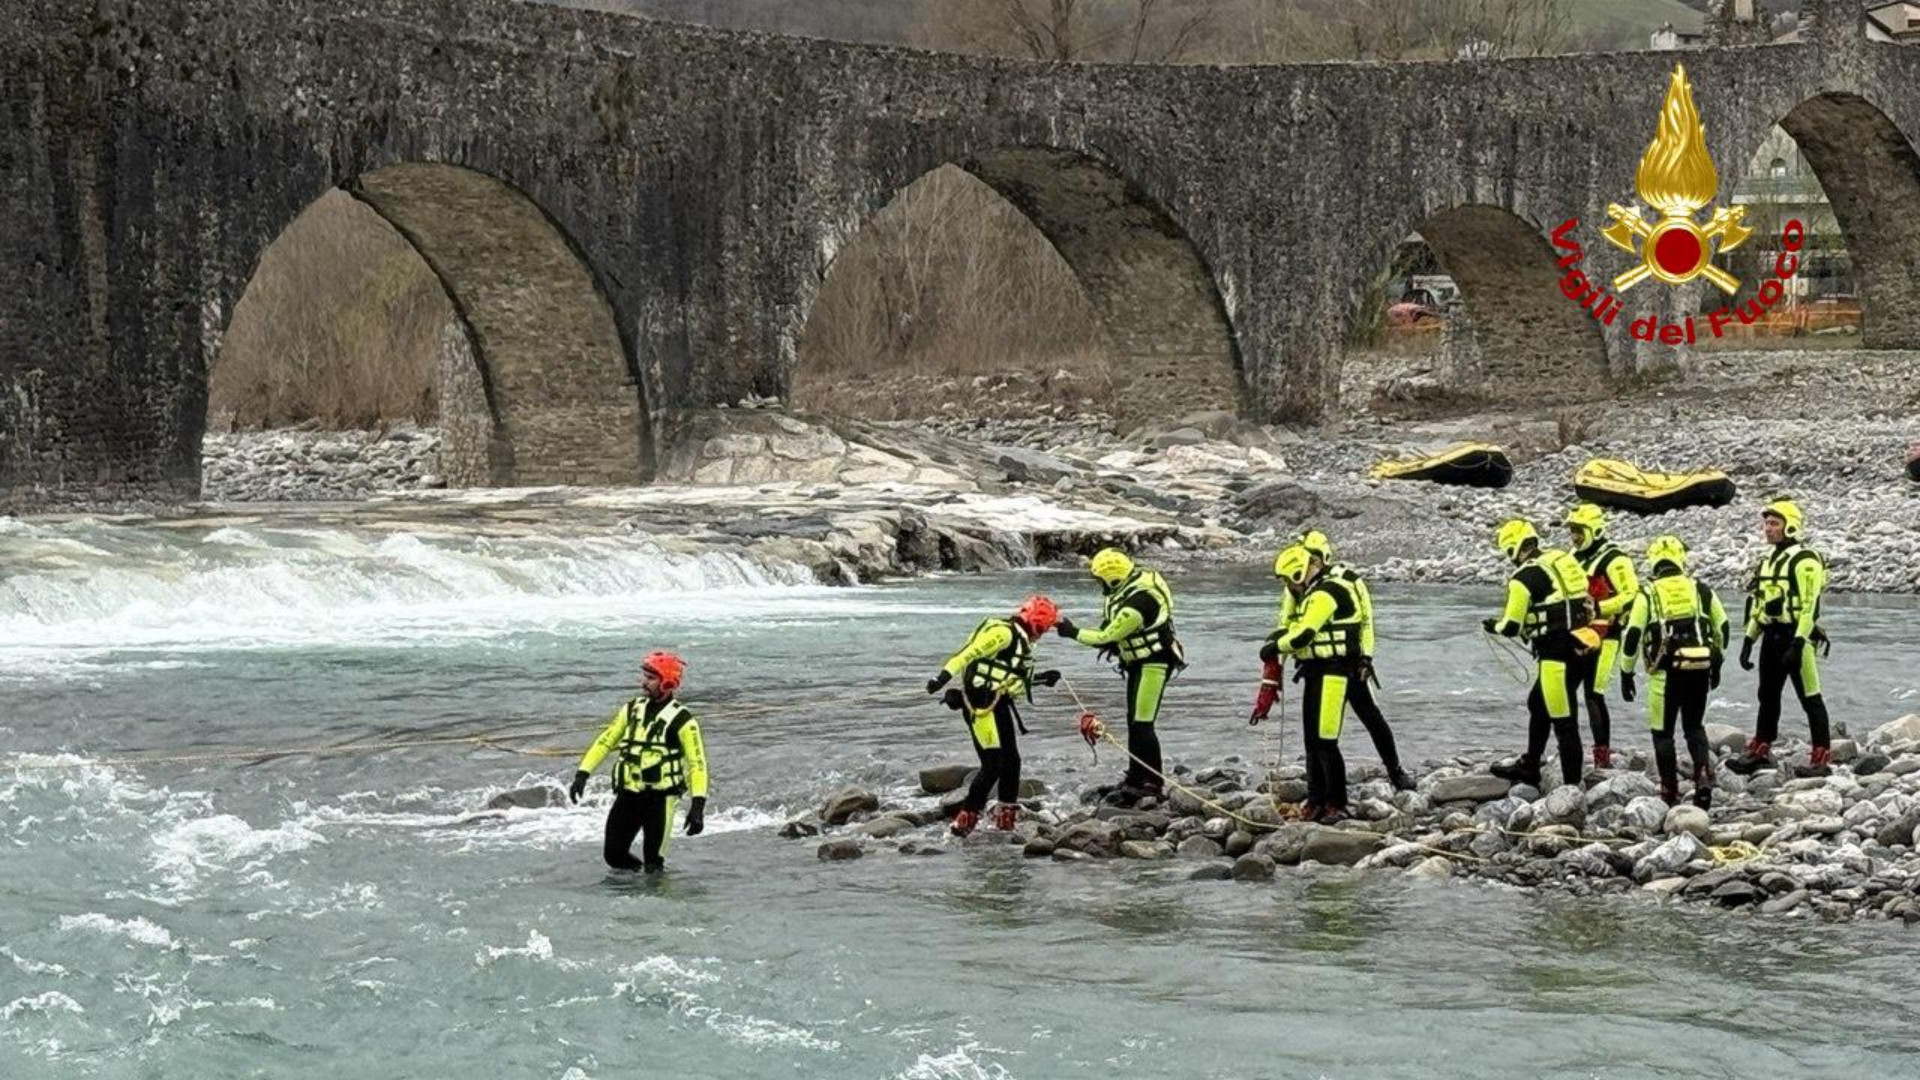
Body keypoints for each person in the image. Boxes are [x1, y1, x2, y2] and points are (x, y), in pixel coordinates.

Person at [1057, 547, 1183, 806]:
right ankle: (1136, 776)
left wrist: (1071, 631)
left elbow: (1106, 636)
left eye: (1099, 579)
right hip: (1136, 663)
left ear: (1112, 578)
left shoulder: (1138, 603)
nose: (1098, 584)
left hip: (1154, 663)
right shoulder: (1127, 588)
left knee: (1143, 724)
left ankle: (1153, 782)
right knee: (1133, 721)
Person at [927, 595, 1061, 836]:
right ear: (1036, 622)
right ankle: (965, 820)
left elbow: (1012, 678)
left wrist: (1042, 679)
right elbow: (966, 655)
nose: (1042, 633)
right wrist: (942, 678)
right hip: (979, 704)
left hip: (999, 702)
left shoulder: (1024, 642)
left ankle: (1006, 818)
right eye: (1044, 628)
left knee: (1012, 762)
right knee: (993, 764)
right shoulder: (1003, 634)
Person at [1290, 530, 1414, 791]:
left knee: (1371, 717)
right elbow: (1288, 621)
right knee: (1317, 731)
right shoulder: (1298, 585)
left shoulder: (1348, 580)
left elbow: (1366, 621)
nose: (1311, 563)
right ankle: (1318, 788)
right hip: (1317, 666)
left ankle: (1395, 770)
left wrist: (1366, 657)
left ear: (1322, 558)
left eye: (1314, 558)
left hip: (1352, 665)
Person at [569, 651, 709, 873]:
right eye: (645, 676)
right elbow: (605, 741)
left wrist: (698, 805)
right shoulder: (632, 709)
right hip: (629, 795)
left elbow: (697, 764)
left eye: (651, 678)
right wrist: (582, 774)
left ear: (668, 683)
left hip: (661, 800)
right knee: (613, 855)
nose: (644, 683)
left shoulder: (684, 721)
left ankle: (656, 900)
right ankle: (631, 894)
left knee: (654, 866)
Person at [1619, 535, 1729, 808]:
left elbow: (1633, 634)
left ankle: (1669, 790)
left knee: (1663, 733)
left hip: (1665, 674)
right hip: (1700, 667)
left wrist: (1626, 672)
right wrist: (1717, 663)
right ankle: (1703, 776)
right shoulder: (1701, 589)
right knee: (1694, 727)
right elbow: (1723, 627)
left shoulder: (1648, 594)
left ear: (1654, 562)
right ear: (1681, 559)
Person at [1484, 519, 1592, 789]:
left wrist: (1493, 627)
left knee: (1564, 722)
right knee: (1537, 703)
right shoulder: (1561, 559)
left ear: (1513, 549)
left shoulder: (1523, 578)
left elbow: (1511, 626)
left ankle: (1571, 789)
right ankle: (1531, 764)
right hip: (1583, 647)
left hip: (1555, 656)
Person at [1730, 499, 1834, 777]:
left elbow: (1811, 604)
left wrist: (1799, 643)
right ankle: (1761, 748)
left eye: (1774, 523)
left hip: (1796, 636)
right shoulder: (1768, 562)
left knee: (1810, 697)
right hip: (1772, 636)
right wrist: (1748, 640)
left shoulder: (1805, 560)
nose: (1768, 529)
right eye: (1766, 523)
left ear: (1790, 527)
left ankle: (1821, 757)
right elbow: (1762, 604)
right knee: (1767, 695)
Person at [1267, 544, 1367, 823]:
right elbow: (1294, 629)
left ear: (1300, 573)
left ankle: (1336, 802)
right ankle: (1316, 799)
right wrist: (1276, 641)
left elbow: (1302, 636)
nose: (1288, 586)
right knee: (1312, 741)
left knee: (1326, 740)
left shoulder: (1325, 593)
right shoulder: (1312, 594)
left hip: (1335, 672)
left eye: (1288, 580)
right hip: (1315, 671)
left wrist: (1275, 646)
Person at [1565, 503, 1640, 769]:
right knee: (1566, 690)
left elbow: (1631, 594)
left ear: (1594, 530)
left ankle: (1602, 756)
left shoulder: (1615, 559)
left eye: (1578, 531)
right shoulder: (1574, 557)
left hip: (1607, 635)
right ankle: (1569, 747)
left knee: (1594, 693)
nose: (1574, 537)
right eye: (1572, 531)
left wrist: (1600, 607)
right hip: (1579, 634)